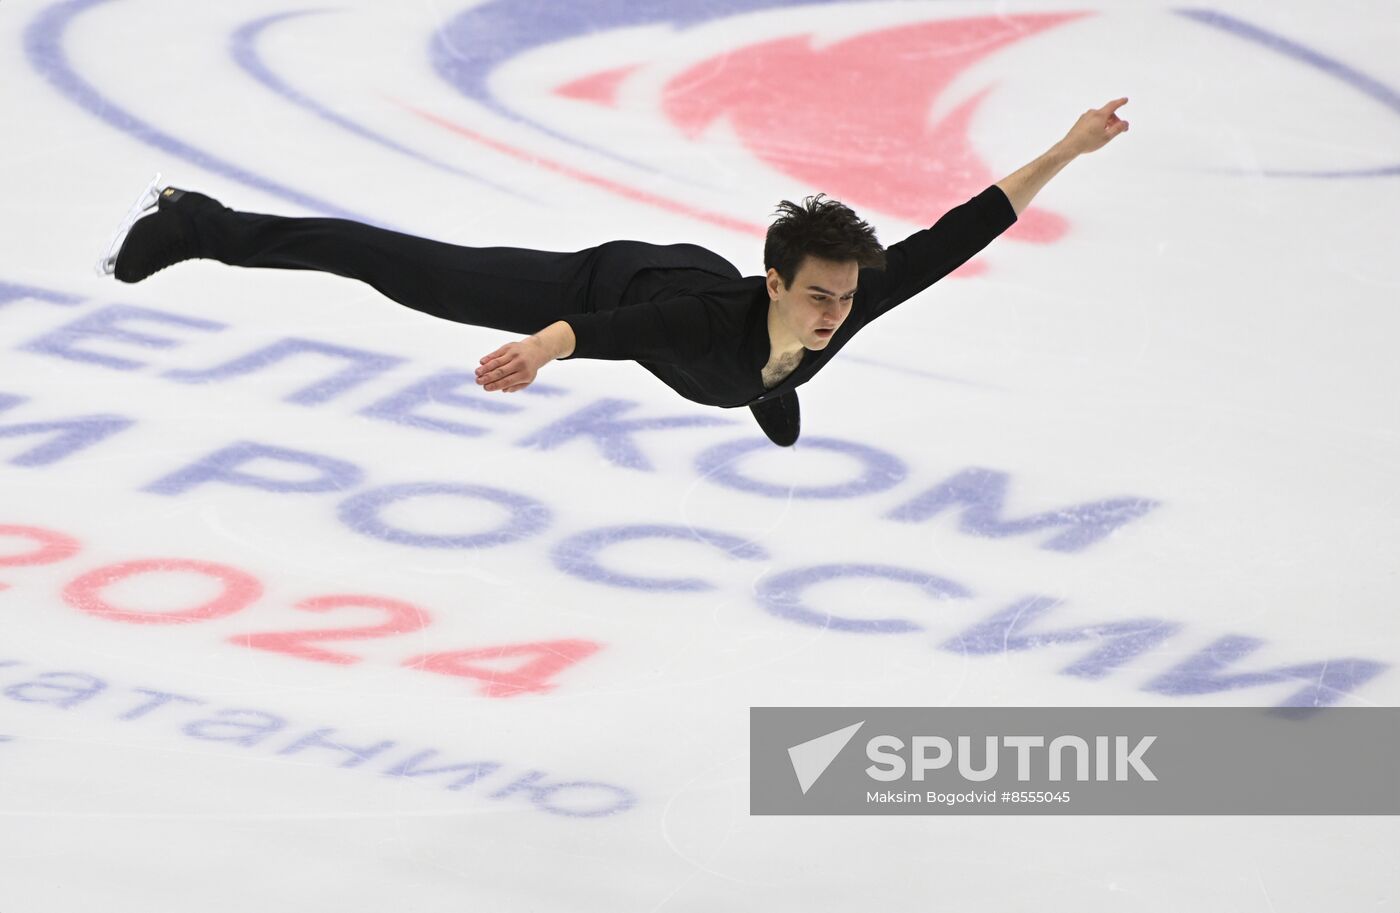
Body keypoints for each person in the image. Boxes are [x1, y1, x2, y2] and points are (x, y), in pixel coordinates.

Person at [102, 98, 1129, 446]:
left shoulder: (839, 307)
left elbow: (960, 229)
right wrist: (544, 348)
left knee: (770, 378)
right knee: (399, 268)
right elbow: (612, 338)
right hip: (610, 293)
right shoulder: (699, 324)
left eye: (844, 296)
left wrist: (1067, 147)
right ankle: (206, 222)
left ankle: (764, 397)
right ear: (773, 281)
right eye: (816, 293)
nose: (836, 312)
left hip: (716, 340)